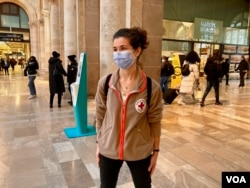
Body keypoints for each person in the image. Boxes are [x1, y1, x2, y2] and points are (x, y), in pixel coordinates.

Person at [95, 27, 163, 188]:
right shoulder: (105, 83)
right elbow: (99, 115)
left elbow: (155, 121)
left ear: (137, 50)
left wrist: (156, 152)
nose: (118, 54)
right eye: (115, 49)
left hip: (139, 150)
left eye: (123, 49)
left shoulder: (151, 87)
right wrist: (99, 143)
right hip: (109, 148)